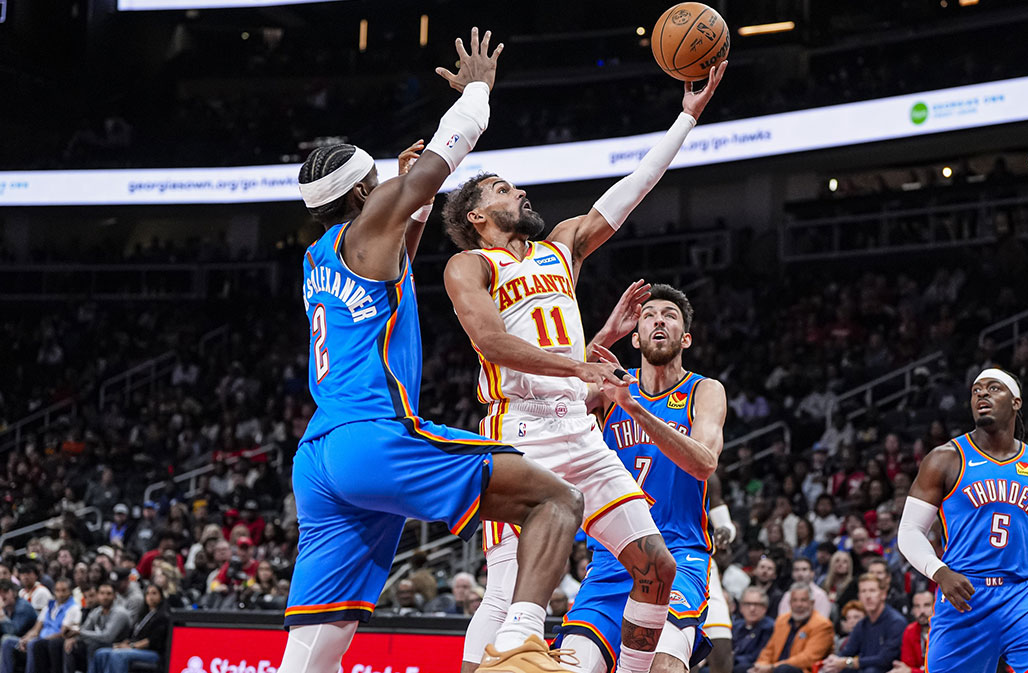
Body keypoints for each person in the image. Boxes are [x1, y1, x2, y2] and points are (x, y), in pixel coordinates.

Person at [284, 29, 585, 673]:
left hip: (319, 457)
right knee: (556, 500)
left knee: (317, 645)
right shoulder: (370, 221)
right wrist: (477, 91)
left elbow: (394, 257)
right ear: (363, 194)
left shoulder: (319, 256)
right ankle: (520, 648)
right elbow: (449, 151)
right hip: (374, 437)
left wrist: (409, 206)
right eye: (377, 184)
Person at [447, 60, 727, 673]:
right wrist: (579, 368)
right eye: (502, 190)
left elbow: (635, 186)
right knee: (505, 589)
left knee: (656, 566)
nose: (519, 193)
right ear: (477, 216)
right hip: (519, 431)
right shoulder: (470, 266)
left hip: (577, 427)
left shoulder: (562, 247)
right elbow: (492, 342)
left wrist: (686, 117)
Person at [554, 283, 729, 673]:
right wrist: (605, 335)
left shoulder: (705, 390)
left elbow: (704, 463)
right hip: (613, 558)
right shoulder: (611, 386)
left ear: (685, 338)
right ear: (636, 337)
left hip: (679, 553)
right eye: (649, 316)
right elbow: (554, 399)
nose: (658, 321)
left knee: (662, 664)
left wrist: (635, 409)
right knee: (574, 665)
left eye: (669, 316)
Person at [897, 369, 1028, 673]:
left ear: (1016, 402)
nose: (982, 394)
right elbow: (909, 530)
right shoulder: (945, 458)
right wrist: (940, 572)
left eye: (993, 388)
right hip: (964, 594)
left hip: (1023, 594)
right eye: (976, 390)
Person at [820, 574, 905, 673]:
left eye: (872, 591)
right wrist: (834, 661)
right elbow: (847, 652)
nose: (868, 596)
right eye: (863, 591)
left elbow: (884, 660)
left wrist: (848, 662)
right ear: (859, 597)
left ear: (883, 595)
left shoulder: (896, 622)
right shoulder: (861, 625)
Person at [0, 578, 78, 673]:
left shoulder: (73, 608)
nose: (60, 594)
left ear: (70, 591)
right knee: (8, 641)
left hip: (53, 641)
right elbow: (36, 629)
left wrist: (39, 639)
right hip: (39, 639)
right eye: (57, 590)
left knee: (34, 644)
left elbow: (63, 633)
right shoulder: (49, 606)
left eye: (64, 591)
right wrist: (25, 639)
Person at [751, 585, 833, 673]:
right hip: (775, 669)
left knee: (784, 669)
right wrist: (761, 665)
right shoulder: (782, 620)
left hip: (801, 670)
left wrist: (772, 667)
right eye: (794, 600)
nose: (798, 605)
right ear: (790, 603)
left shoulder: (822, 625)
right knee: (743, 667)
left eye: (803, 600)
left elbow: (808, 658)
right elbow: (769, 650)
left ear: (812, 603)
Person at [88, 584, 168, 673]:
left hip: (152, 652)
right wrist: (123, 644)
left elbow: (152, 640)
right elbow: (135, 635)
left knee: (118, 655)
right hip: (135, 647)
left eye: (154, 593)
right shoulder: (143, 614)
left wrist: (131, 646)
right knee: (101, 653)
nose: (150, 597)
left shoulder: (163, 616)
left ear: (161, 596)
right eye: (148, 593)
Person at [704, 473, 736, 673]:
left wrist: (725, 531)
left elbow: (726, 524)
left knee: (722, 653)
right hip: (659, 566)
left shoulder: (706, 475)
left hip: (703, 566)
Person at [731, 587, 774, 673]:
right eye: (747, 604)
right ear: (741, 607)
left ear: (765, 608)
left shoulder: (769, 627)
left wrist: (731, 658)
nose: (752, 609)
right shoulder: (736, 625)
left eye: (757, 604)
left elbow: (758, 655)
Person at [889, 591, 932, 673]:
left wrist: (912, 671)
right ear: (912, 610)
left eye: (927, 605)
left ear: (935, 606)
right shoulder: (910, 630)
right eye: (917, 606)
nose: (922, 611)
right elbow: (907, 666)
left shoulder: (944, 631)